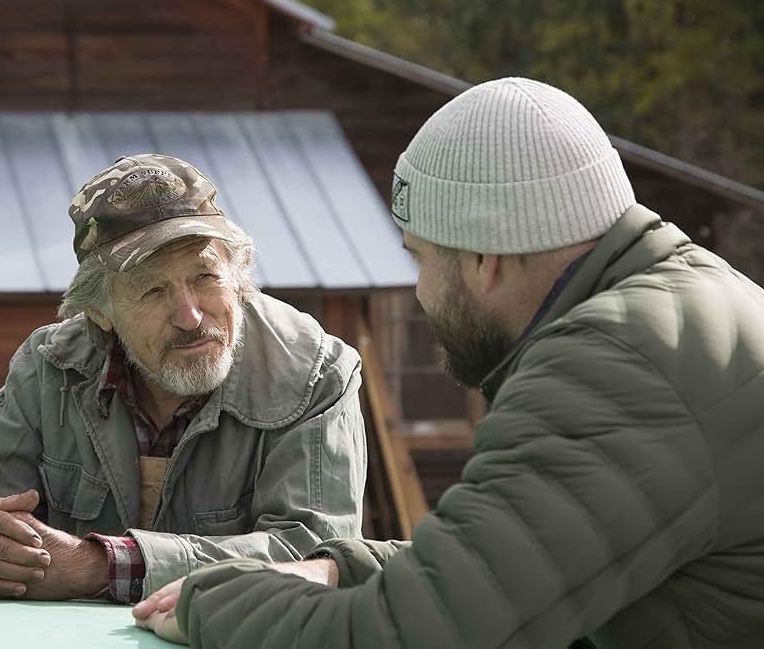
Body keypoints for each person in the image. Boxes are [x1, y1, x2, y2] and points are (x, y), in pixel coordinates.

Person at [134, 78, 764, 648]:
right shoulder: (696, 305)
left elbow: (407, 635)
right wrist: (342, 566)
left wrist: (215, 599)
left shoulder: (617, 364)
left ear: (485, 258)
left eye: (422, 258)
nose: (420, 292)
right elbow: (513, 565)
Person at [0, 154, 367, 603]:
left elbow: (318, 558)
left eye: (205, 277)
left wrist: (98, 566)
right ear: (99, 311)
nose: (191, 316)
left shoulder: (315, 374)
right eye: (152, 290)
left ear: (236, 275)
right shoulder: (51, 368)